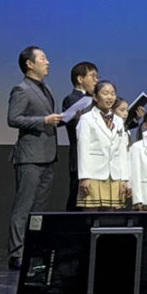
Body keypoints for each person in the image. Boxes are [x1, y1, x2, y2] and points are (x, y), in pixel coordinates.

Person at [7, 46, 61, 269]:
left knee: (39, 207)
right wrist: (43, 121)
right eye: (43, 58)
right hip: (30, 155)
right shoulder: (21, 89)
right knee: (24, 206)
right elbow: (13, 119)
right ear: (29, 64)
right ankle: (17, 252)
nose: (47, 62)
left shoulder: (46, 88)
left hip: (47, 153)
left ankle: (33, 247)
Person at [76, 81, 131, 210]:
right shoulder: (87, 119)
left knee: (111, 217)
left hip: (115, 175)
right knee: (92, 215)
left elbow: (122, 151)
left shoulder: (118, 120)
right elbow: (83, 149)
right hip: (94, 174)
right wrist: (85, 177)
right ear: (95, 97)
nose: (110, 97)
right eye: (105, 93)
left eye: (112, 94)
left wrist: (124, 178)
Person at [62, 61, 98, 211]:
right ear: (80, 79)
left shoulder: (95, 99)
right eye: (93, 76)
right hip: (80, 154)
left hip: (95, 154)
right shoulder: (72, 99)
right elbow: (70, 123)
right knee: (76, 196)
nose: (97, 80)